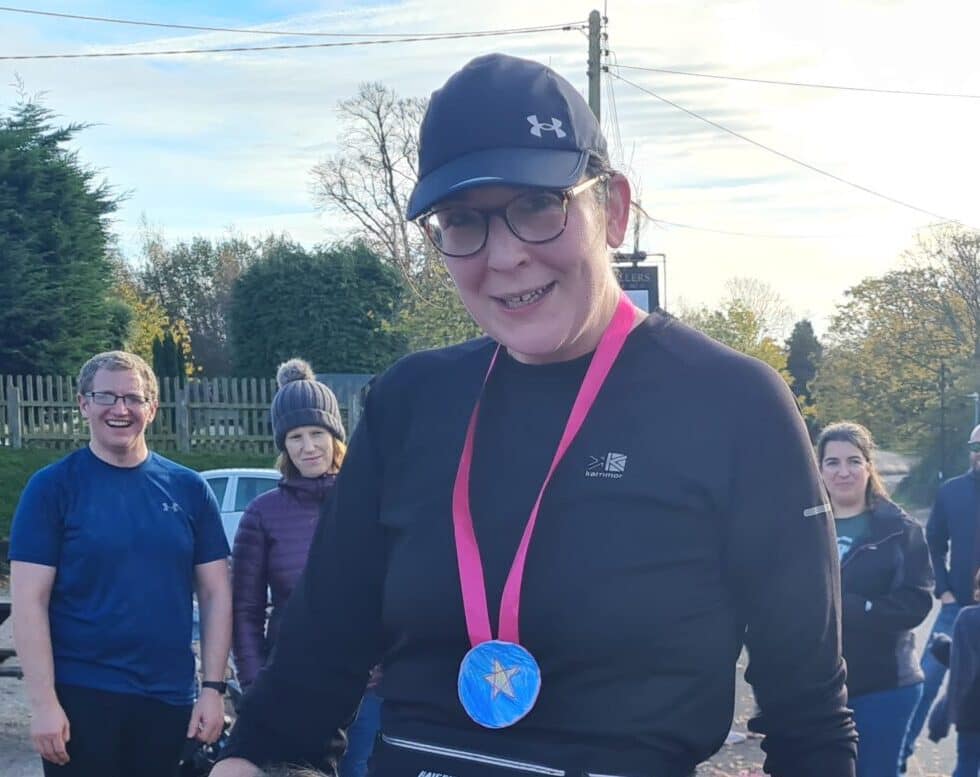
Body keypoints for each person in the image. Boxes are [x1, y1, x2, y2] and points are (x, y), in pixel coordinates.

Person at [211, 53, 856, 777]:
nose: (506, 255)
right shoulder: (409, 401)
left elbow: (809, 713)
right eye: (463, 222)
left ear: (611, 207)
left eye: (537, 206)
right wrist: (251, 759)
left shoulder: (733, 402)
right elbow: (320, 648)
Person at [8, 350, 232, 776]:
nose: (120, 409)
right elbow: (28, 601)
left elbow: (217, 592)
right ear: (83, 404)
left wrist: (213, 689)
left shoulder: (189, 489)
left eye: (133, 397)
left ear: (152, 407)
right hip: (81, 698)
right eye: (106, 396)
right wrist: (43, 704)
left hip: (170, 701)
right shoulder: (52, 489)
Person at [231, 359, 379, 777]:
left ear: (336, 437)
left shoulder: (369, 504)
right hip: (292, 687)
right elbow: (245, 610)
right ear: (283, 445)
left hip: (368, 690)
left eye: (317, 433)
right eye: (295, 437)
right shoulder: (262, 514)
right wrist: (257, 685)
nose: (308, 446)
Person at [817, 422, 933, 777]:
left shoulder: (900, 530)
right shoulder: (803, 527)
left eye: (854, 461)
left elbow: (917, 601)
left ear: (869, 466)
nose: (843, 472)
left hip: (883, 686)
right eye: (832, 462)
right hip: (816, 688)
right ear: (819, 469)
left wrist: (861, 609)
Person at [903, 424, 980, 769]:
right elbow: (933, 542)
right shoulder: (952, 491)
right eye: (977, 447)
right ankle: (899, 755)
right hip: (955, 608)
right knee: (926, 680)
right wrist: (943, 589)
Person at [926, 568, 980, 777]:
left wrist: (942, 715)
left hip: (973, 714)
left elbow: (963, 672)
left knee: (967, 763)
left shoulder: (969, 618)